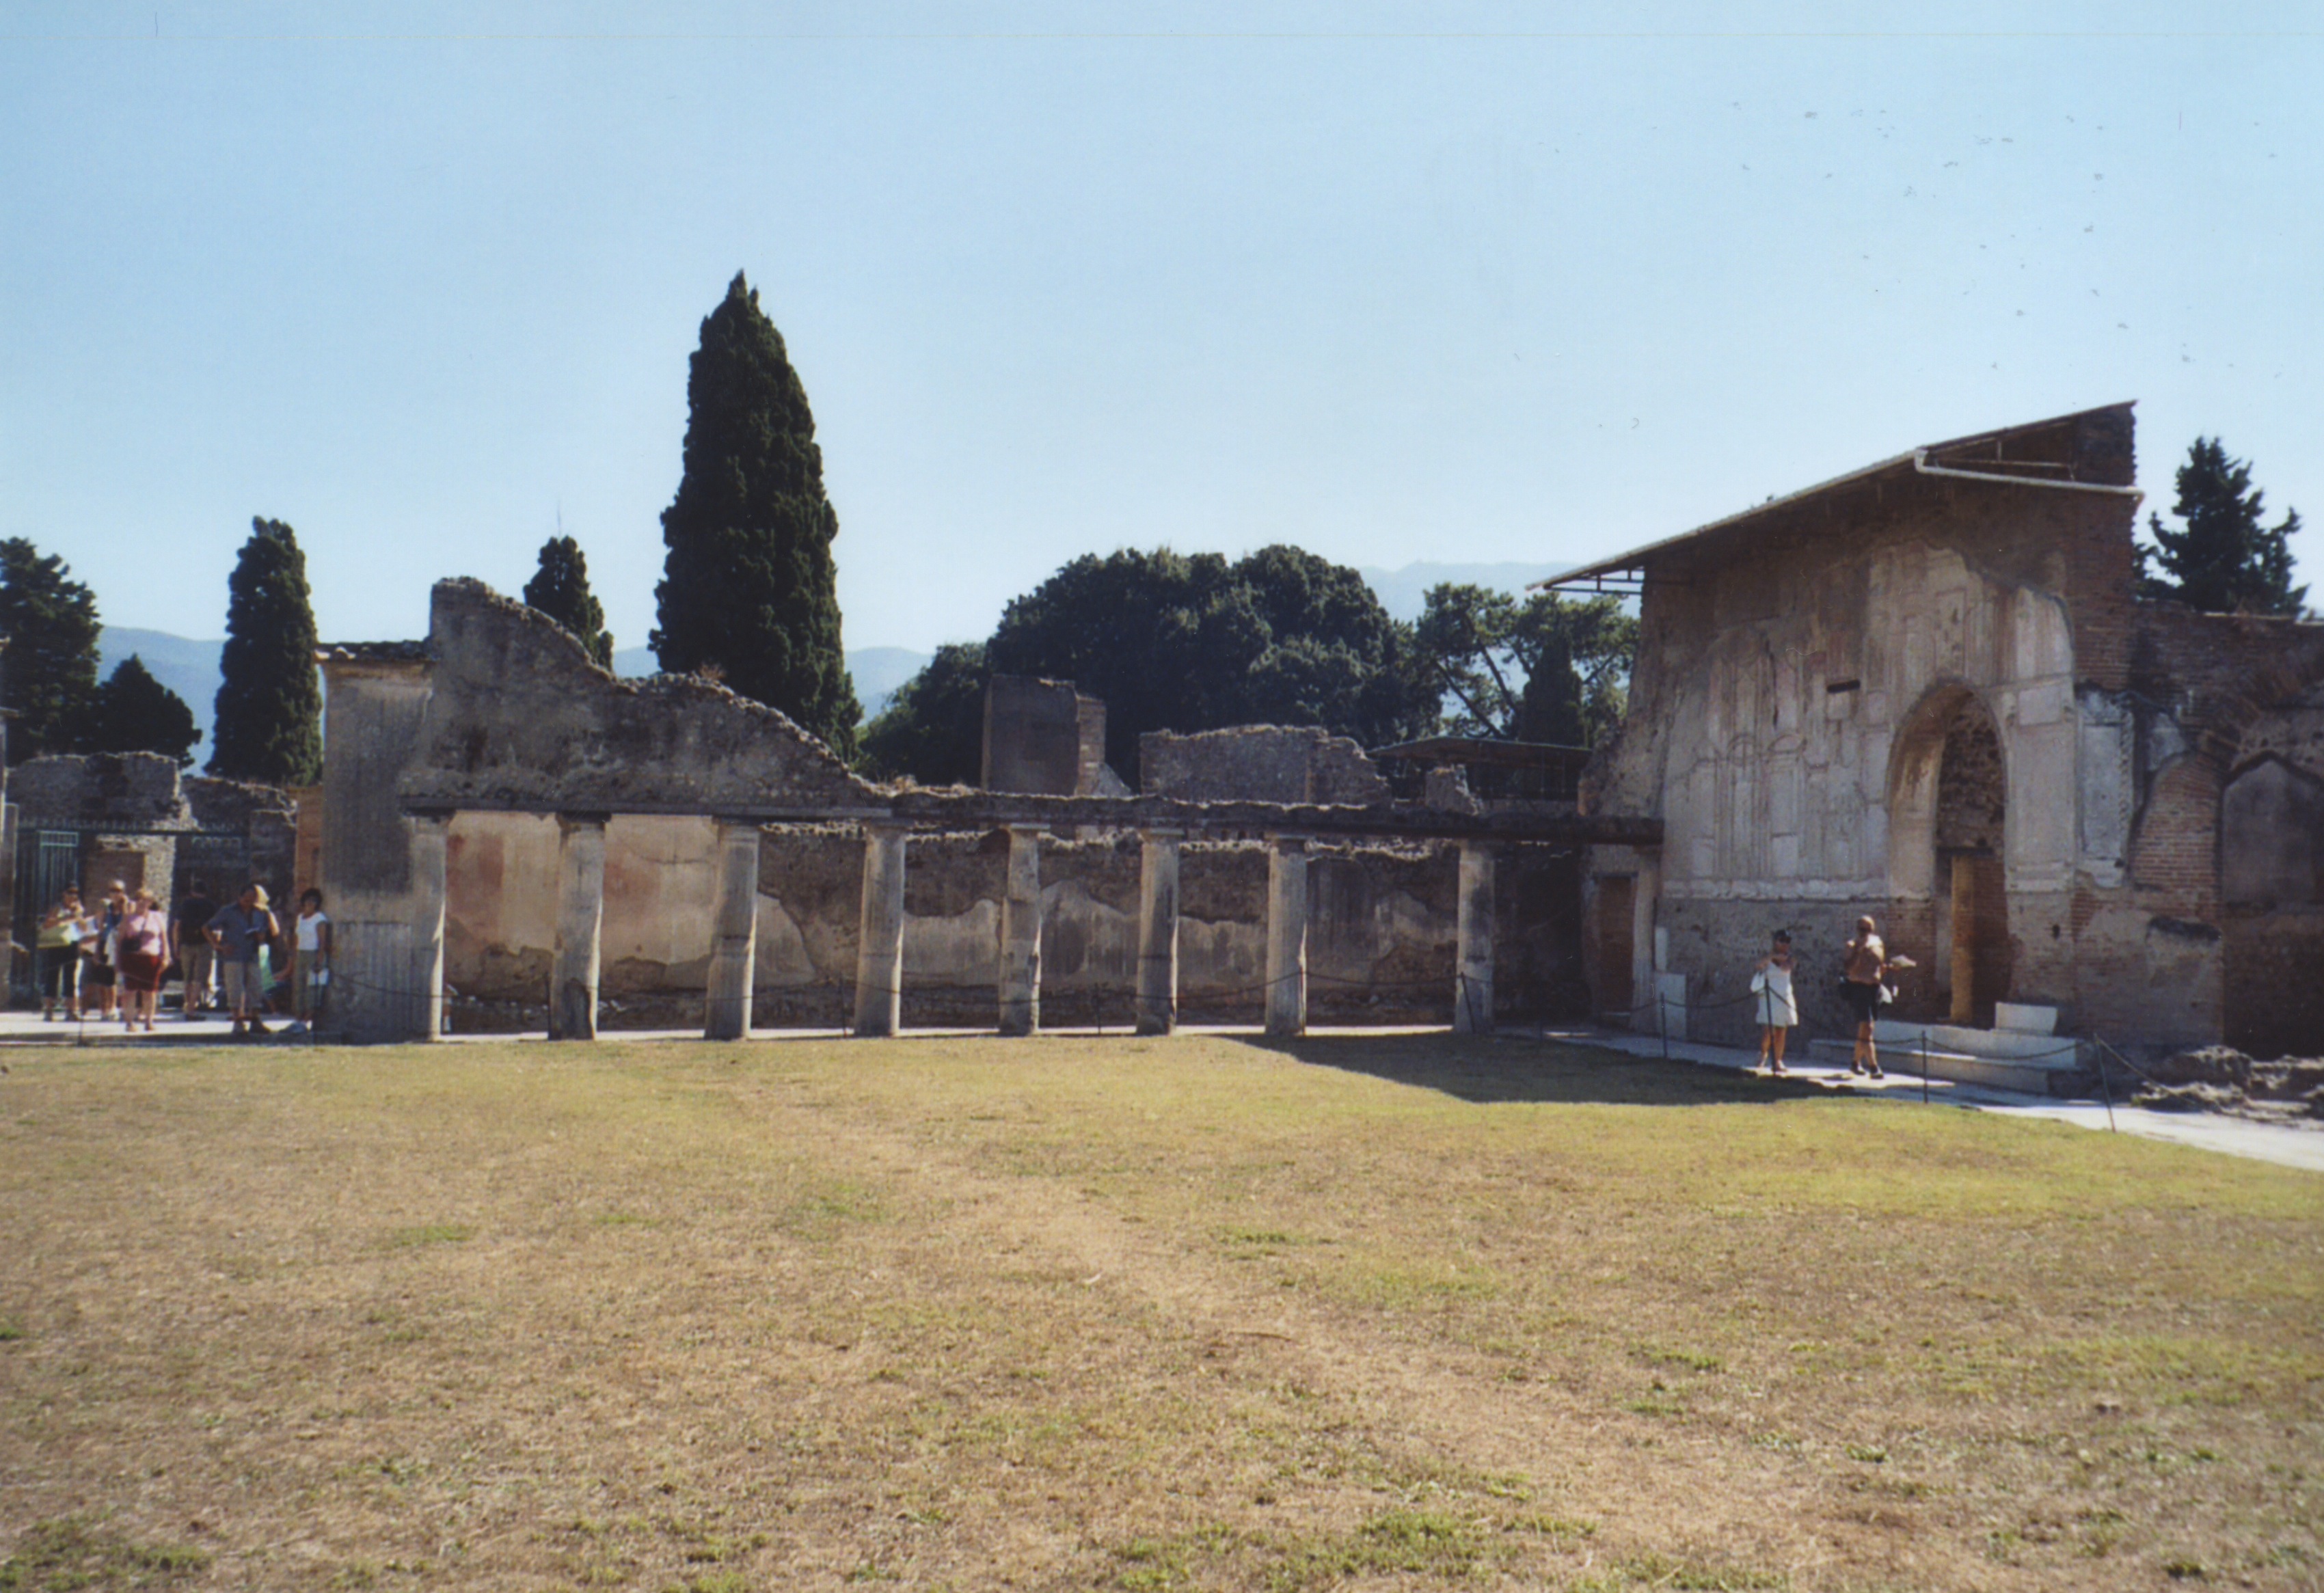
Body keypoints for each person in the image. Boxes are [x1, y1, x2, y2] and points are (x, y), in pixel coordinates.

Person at [1840, 916, 1914, 1078]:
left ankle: (1855, 1063)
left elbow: (1878, 968)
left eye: (1867, 930)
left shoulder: (1878, 944)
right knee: (1868, 1027)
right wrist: (1859, 951)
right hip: (1859, 988)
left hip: (1874, 989)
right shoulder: (1852, 945)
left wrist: (1891, 967)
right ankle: (1874, 1067)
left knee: (1865, 1028)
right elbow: (1848, 968)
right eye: (1862, 929)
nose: (1864, 933)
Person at [206, 883, 280, 1039]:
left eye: (252, 899)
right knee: (235, 990)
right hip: (233, 955)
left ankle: (255, 1021)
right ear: (239, 897)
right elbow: (207, 927)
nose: (249, 902)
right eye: (246, 899)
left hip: (253, 954)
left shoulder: (260, 913)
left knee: (255, 988)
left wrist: (262, 935)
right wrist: (218, 946)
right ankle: (238, 1023)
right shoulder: (227, 912)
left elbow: (272, 933)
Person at [115, 888, 170, 1033]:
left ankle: (149, 1021)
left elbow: (164, 938)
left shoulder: (157, 917)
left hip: (151, 958)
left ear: (150, 902)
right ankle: (129, 1022)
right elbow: (120, 940)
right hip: (132, 958)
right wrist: (117, 960)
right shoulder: (128, 918)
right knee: (130, 991)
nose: (140, 902)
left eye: (144, 899)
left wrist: (166, 956)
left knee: (150, 992)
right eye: (138, 898)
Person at [36, 887, 89, 1020]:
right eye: (70, 893)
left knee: (70, 978)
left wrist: (79, 916)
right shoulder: (57, 908)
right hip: (56, 945)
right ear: (64, 894)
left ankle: (70, 1011)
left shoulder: (78, 911)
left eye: (76, 894)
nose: (73, 896)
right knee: (52, 977)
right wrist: (67, 918)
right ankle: (48, 1010)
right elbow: (48, 924)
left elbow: (84, 928)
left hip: (71, 945)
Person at [1749, 929, 1798, 1074]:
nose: (1784, 944)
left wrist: (1781, 958)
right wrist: (1771, 957)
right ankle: (1763, 1053)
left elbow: (1786, 967)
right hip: (1769, 996)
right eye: (1781, 941)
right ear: (1775, 942)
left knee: (1781, 1030)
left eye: (1787, 941)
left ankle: (1778, 1061)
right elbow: (1758, 966)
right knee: (1768, 1031)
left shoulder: (1791, 958)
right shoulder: (1768, 957)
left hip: (1783, 995)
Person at [172, 878, 218, 1018]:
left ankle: (187, 1005)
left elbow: (176, 927)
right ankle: (192, 1008)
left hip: (186, 944)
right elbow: (215, 928)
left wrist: (176, 946)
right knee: (199, 978)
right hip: (204, 944)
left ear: (193, 892)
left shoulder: (185, 904)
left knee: (188, 976)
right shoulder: (211, 906)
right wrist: (215, 943)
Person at [84, 881, 129, 1022]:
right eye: (112, 890)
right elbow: (101, 929)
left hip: (121, 945)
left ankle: (115, 1008)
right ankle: (105, 1010)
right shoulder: (107, 908)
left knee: (119, 980)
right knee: (104, 980)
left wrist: (125, 906)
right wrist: (97, 951)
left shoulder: (128, 907)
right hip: (106, 944)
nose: (115, 894)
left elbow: (128, 922)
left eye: (118, 890)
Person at [290, 888, 332, 1033]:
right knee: (298, 987)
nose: (310, 903)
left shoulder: (319, 919)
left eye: (314, 901)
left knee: (312, 988)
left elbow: (322, 940)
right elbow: (296, 938)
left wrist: (320, 959)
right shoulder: (300, 918)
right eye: (308, 900)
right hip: (301, 954)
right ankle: (298, 1019)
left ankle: (307, 1021)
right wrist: (293, 958)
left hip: (313, 954)